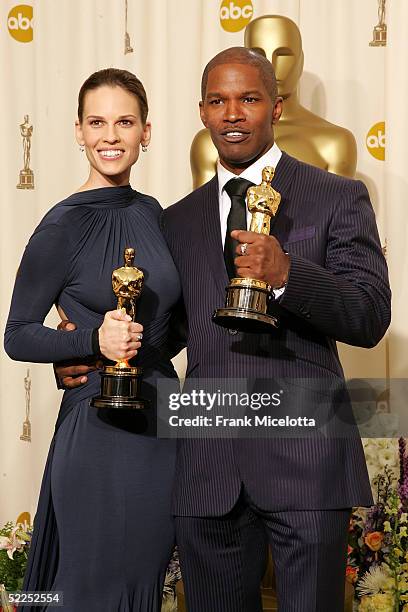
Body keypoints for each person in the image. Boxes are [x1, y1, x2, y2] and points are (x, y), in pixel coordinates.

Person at [57, 48, 391, 611]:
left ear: (275, 108)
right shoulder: (176, 219)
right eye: (219, 101)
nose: (233, 113)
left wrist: (287, 275)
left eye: (248, 99)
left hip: (305, 464)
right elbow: (169, 331)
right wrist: (92, 350)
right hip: (207, 471)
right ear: (203, 113)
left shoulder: (336, 196)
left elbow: (369, 315)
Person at [5, 68, 182, 612]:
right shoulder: (61, 225)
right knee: (95, 589)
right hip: (100, 427)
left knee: (143, 583)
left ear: (146, 132)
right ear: (78, 132)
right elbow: (18, 336)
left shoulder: (153, 213)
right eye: (97, 122)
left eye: (124, 122)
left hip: (161, 424)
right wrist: (88, 342)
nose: (111, 135)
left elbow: (162, 330)